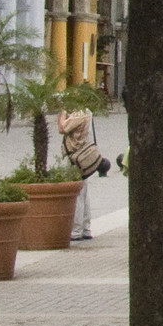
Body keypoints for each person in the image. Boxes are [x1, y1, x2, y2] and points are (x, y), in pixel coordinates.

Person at [57, 97, 102, 241]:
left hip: (76, 157)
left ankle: (77, 230)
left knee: (77, 193)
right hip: (83, 156)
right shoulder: (87, 112)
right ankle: (86, 228)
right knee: (84, 192)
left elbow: (62, 128)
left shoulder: (79, 114)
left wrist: (62, 113)